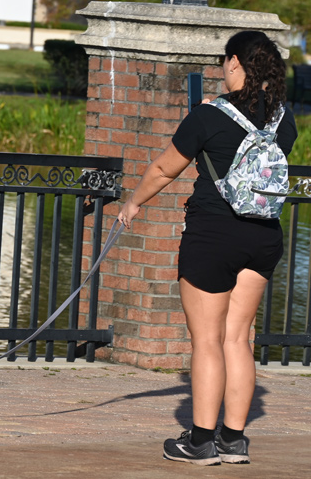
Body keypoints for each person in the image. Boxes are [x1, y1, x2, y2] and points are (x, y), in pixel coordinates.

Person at [117, 30, 298, 466]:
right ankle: (234, 441)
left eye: (224, 62)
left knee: (207, 342)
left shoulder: (208, 115)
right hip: (264, 236)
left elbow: (164, 168)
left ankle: (199, 442)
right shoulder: (283, 119)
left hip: (214, 235)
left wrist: (133, 203)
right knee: (237, 339)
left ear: (234, 63)